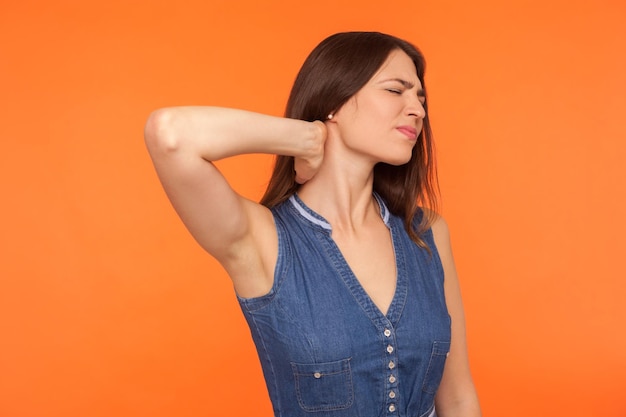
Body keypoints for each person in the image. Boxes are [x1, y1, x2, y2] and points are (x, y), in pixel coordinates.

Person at [144, 31, 481, 417]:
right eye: (396, 91)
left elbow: (456, 397)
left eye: (420, 97)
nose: (418, 110)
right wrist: (304, 135)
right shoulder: (263, 240)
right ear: (334, 98)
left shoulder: (426, 233)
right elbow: (168, 134)